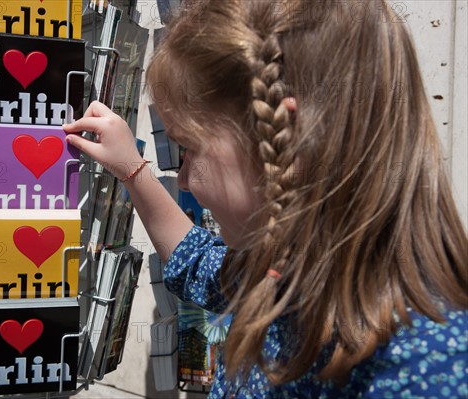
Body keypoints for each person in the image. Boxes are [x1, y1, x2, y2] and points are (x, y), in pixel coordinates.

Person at [64, 0, 468, 397]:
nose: (183, 180)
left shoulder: (427, 368)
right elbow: (194, 259)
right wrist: (132, 169)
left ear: (284, 140)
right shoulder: (281, 272)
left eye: (188, 148)